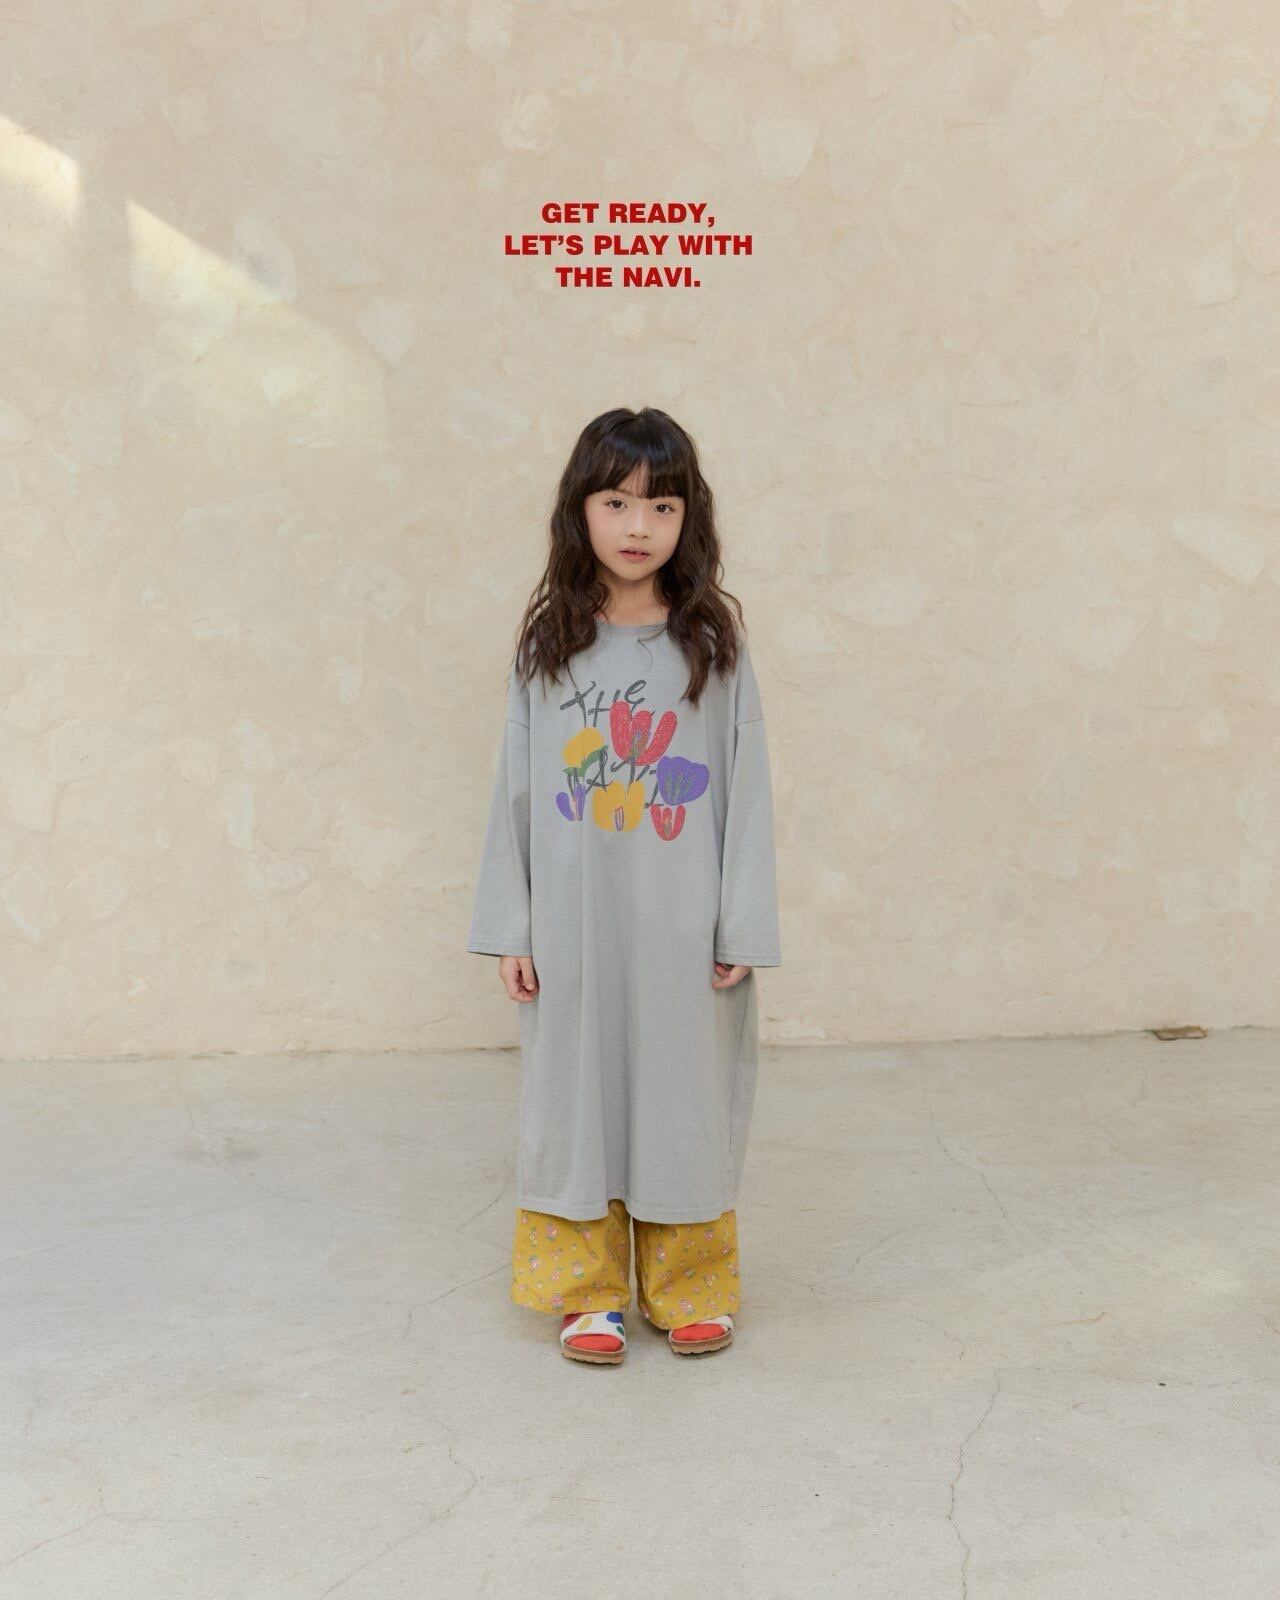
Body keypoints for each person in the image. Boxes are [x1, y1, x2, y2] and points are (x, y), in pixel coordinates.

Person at [466, 406, 781, 1365]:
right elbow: (516, 790)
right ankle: (587, 1290)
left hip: (684, 924)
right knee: (577, 1094)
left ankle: (689, 1285)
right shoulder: (549, 646)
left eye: (662, 507)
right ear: (581, 510)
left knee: (684, 1092)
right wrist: (513, 925)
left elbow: (747, 790)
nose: (638, 527)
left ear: (690, 520)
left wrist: (740, 924)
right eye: (616, 503)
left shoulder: (712, 647)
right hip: (574, 924)